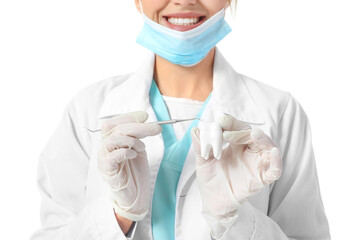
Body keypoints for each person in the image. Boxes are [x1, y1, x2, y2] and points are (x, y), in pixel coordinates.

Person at [31, 0, 331, 239]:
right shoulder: (88, 110)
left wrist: (233, 224)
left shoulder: (279, 112)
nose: (185, 0)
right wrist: (118, 216)